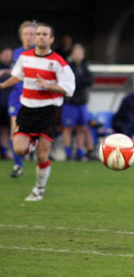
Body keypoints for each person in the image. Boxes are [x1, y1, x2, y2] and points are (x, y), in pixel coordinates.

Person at [0, 23, 76, 201]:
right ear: (35, 38)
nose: (41, 37)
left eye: (45, 34)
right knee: (18, 149)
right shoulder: (25, 57)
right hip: (27, 109)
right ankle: (32, 144)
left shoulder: (59, 62)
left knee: (42, 155)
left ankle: (38, 189)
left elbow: (69, 89)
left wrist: (48, 86)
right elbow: (18, 75)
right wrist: (3, 84)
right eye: (39, 34)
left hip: (49, 111)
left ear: (51, 39)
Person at [9, 20, 37, 178]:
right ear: (21, 36)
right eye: (26, 34)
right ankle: (17, 165)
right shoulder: (16, 53)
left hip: (34, 99)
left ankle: (35, 153)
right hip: (17, 99)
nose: (29, 37)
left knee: (34, 132)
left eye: (32, 34)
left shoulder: (42, 53)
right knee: (15, 131)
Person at [61, 43, 93, 161]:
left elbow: (89, 80)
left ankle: (80, 151)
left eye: (81, 54)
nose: (79, 56)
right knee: (68, 128)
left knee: (82, 128)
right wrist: (80, 82)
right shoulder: (68, 67)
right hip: (70, 103)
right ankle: (68, 151)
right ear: (72, 54)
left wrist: (79, 82)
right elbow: (70, 82)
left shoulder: (85, 67)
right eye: (76, 53)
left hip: (82, 103)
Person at [0, 48, 14, 158]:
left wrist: (5, 72)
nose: (8, 56)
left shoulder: (14, 67)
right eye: (5, 54)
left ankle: (4, 151)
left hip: (9, 103)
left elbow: (18, 72)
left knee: (5, 128)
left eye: (10, 54)